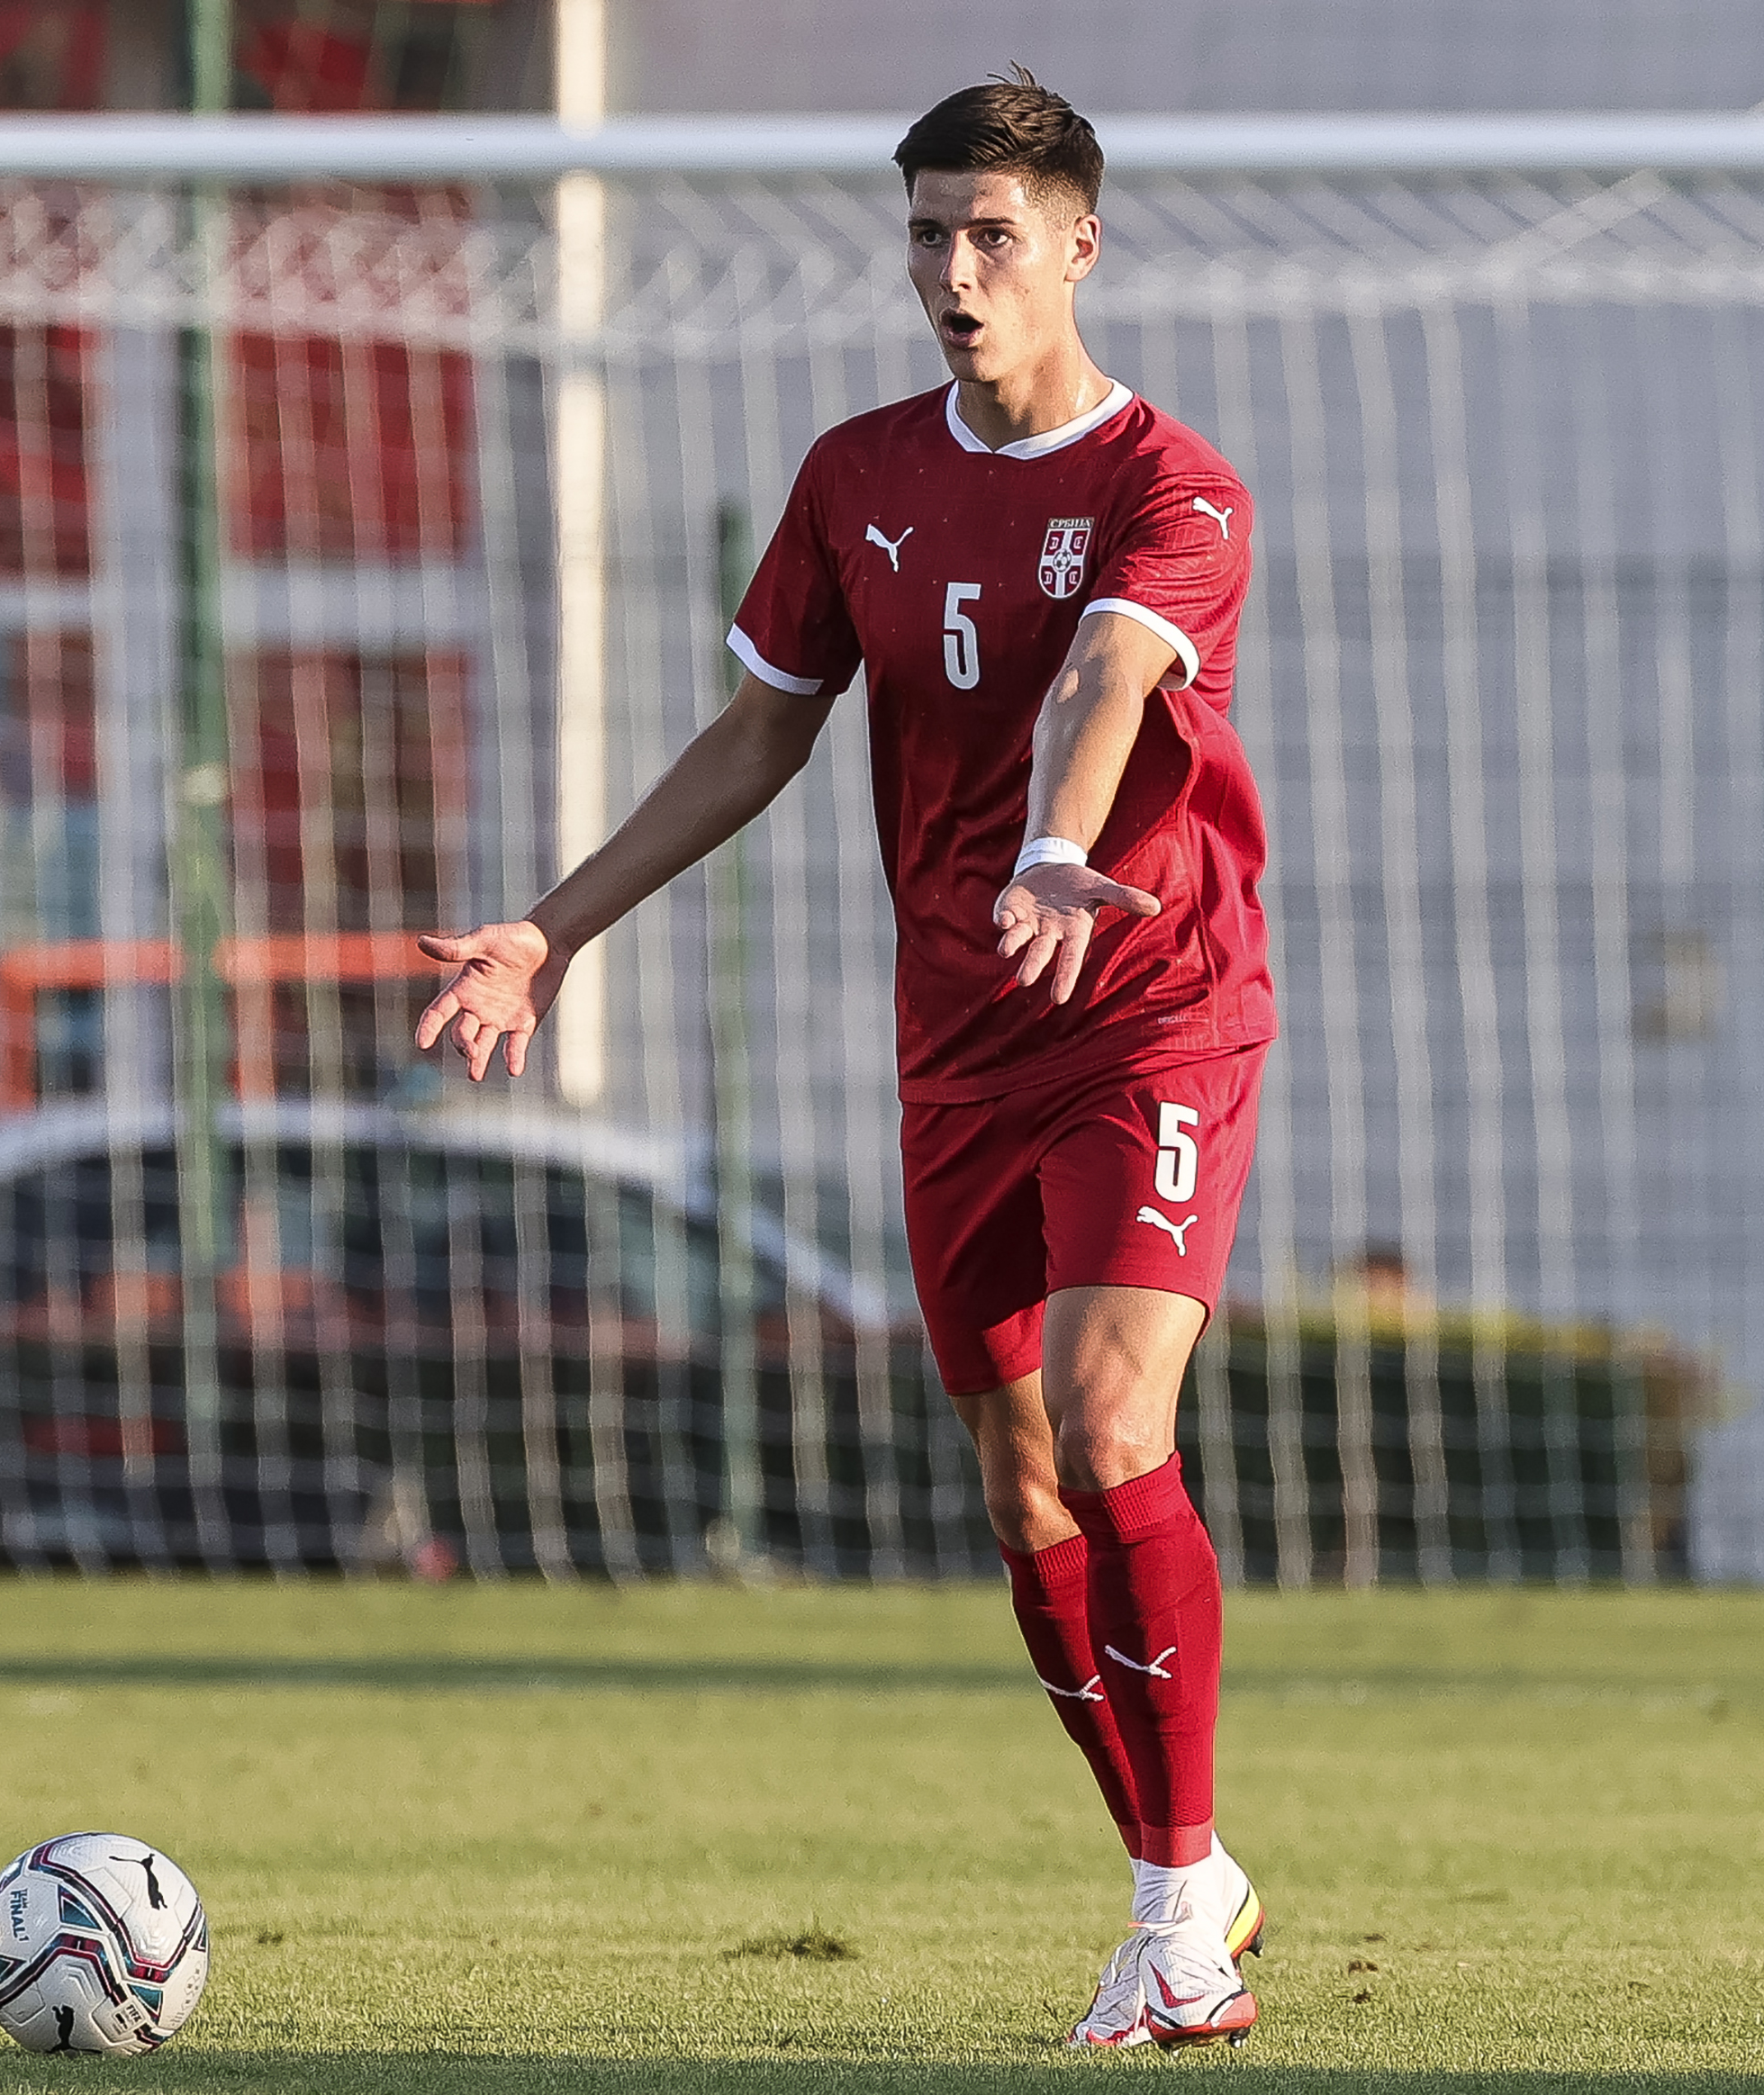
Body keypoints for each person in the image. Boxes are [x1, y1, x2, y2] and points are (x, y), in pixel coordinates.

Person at [413, 70, 1274, 2050]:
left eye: (990, 232)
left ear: (1076, 240)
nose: (954, 272)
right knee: (1019, 1468)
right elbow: (757, 734)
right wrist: (553, 925)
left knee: (1114, 1406)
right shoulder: (855, 474)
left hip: (1152, 1003)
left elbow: (1107, 671)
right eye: (924, 235)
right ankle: (1179, 1867)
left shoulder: (1178, 485)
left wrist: (1067, 842)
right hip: (956, 1034)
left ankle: (1176, 1914)